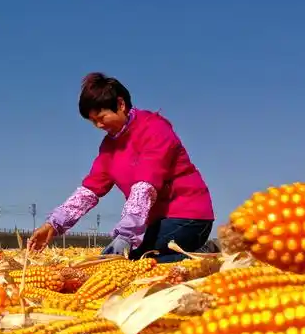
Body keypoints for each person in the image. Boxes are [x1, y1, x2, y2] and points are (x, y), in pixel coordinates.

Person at [27, 73, 214, 263]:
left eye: (101, 117)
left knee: (130, 260)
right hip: (156, 222)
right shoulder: (109, 147)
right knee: (114, 260)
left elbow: (145, 185)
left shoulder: (154, 129)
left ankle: (202, 254)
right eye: (93, 121)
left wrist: (126, 235)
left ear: (121, 105)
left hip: (189, 217)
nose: (98, 125)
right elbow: (89, 191)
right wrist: (54, 224)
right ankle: (192, 256)